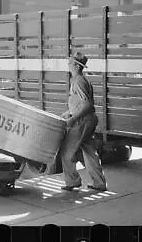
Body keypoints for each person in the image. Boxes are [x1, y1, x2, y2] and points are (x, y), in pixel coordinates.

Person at [59, 52, 107, 191]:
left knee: (66, 152)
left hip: (82, 122)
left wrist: (73, 118)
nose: (68, 65)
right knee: (89, 152)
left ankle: (72, 181)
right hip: (88, 120)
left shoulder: (78, 80)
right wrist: (69, 112)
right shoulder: (78, 79)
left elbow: (87, 105)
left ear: (76, 66)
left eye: (70, 63)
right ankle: (99, 183)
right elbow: (81, 103)